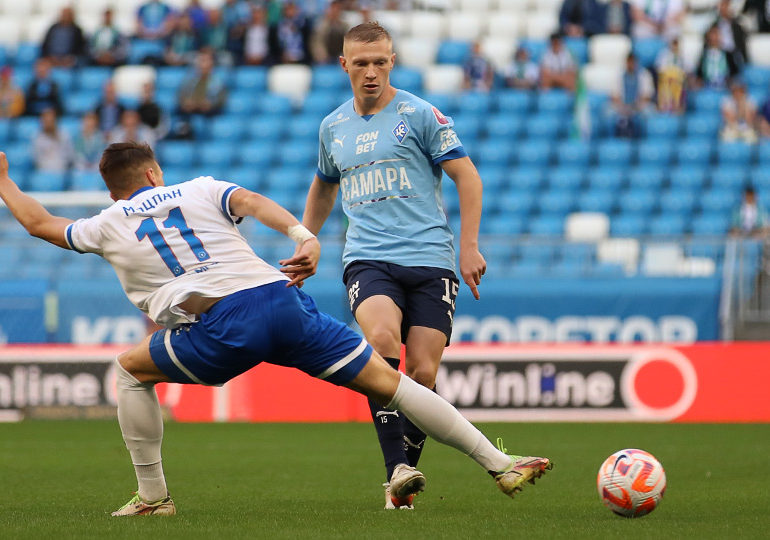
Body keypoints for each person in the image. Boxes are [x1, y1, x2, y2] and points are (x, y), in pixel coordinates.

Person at [0, 142, 552, 516]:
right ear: (152, 174)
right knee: (392, 382)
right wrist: (300, 234)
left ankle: (153, 497)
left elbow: (37, 222)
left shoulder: (106, 223)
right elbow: (251, 202)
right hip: (282, 301)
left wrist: (3, 180)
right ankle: (500, 464)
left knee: (128, 371)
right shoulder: (199, 188)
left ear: (117, 188)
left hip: (223, 325)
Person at [301, 22, 488, 510]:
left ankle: (404, 477)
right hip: (368, 257)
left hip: (431, 258)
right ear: (344, 65)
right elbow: (324, 185)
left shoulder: (419, 114)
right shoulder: (333, 127)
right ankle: (397, 473)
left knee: (423, 374)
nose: (370, 72)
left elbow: (467, 176)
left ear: (392, 61)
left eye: (380, 61)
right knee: (382, 341)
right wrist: (307, 238)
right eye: (360, 63)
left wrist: (468, 246)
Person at [612, 53, 654, 138]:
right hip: (622, 106)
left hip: (639, 106)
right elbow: (614, 95)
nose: (631, 65)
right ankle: (613, 140)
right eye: (629, 62)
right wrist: (623, 106)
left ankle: (644, 139)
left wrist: (636, 105)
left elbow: (647, 96)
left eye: (632, 62)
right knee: (608, 113)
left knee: (649, 112)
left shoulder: (644, 75)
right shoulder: (619, 75)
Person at [177, 50, 227, 116]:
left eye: (204, 61)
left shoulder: (219, 82)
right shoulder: (189, 80)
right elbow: (180, 96)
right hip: (190, 115)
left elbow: (221, 100)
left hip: (210, 116)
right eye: (199, 61)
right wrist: (185, 103)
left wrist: (211, 104)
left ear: (212, 63)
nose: (200, 64)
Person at [695, 25, 739, 90]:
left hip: (725, 86)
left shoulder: (728, 54)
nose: (715, 37)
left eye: (717, 34)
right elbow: (699, 74)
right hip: (707, 87)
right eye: (712, 34)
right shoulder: (703, 55)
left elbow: (734, 72)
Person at [32, 108, 73, 172]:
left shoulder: (64, 135)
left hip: (61, 170)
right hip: (44, 170)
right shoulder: (36, 137)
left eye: (50, 121)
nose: (48, 123)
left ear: (55, 121)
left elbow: (69, 155)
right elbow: (35, 158)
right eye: (46, 121)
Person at [710, 0, 748, 69]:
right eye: (722, 6)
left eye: (727, 6)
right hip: (720, 57)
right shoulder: (714, 25)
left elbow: (741, 46)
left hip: (735, 56)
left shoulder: (737, 26)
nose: (725, 8)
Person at [720, 80, 758, 144]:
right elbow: (730, 119)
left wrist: (742, 105)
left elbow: (749, 119)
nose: (738, 93)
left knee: (751, 138)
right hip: (731, 127)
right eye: (736, 91)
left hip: (747, 127)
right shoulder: (726, 100)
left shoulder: (751, 100)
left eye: (740, 91)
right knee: (728, 137)